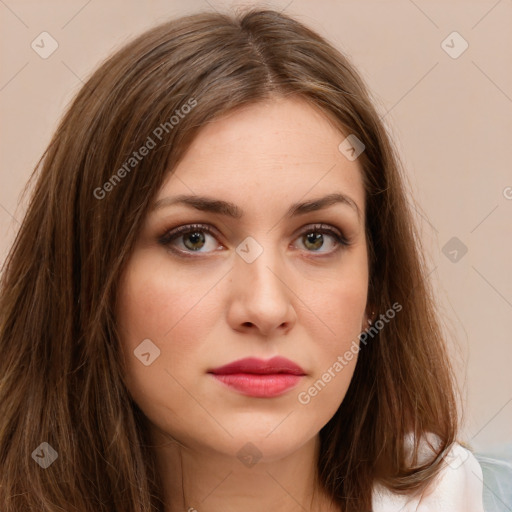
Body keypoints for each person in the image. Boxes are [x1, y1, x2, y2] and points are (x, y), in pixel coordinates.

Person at [0, 7, 487, 512]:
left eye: (317, 239)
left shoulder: (442, 495)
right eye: (193, 239)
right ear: (90, 276)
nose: (267, 306)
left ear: (377, 286)